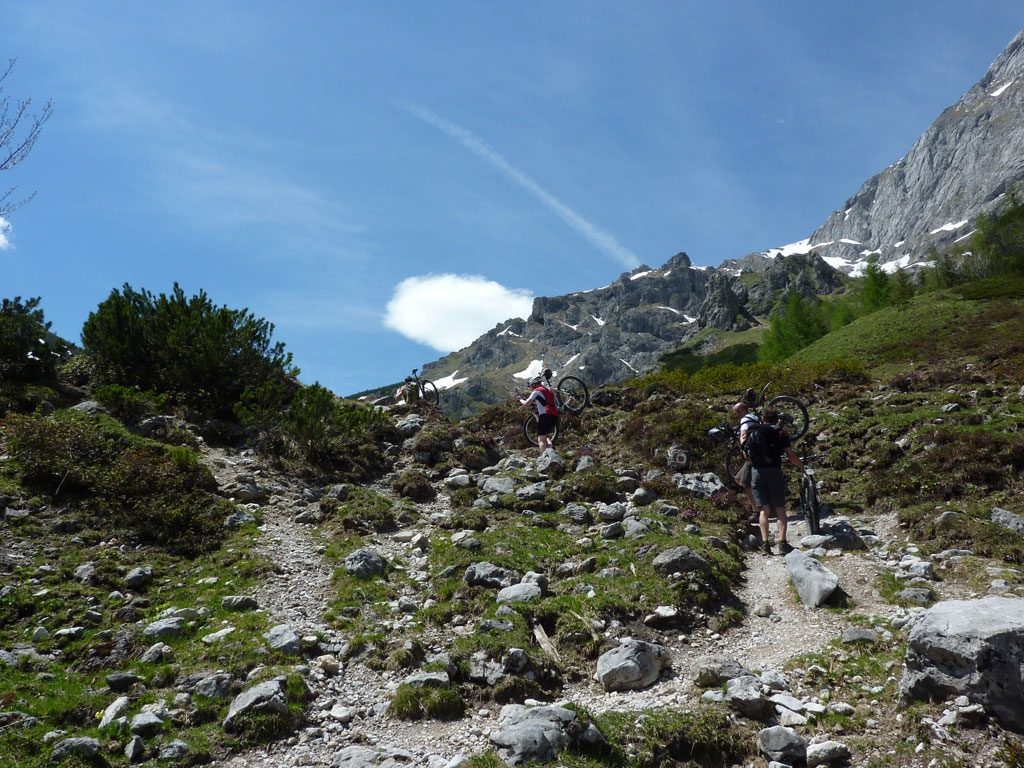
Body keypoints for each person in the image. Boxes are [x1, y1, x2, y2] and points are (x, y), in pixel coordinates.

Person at [748, 406, 804, 555]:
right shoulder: (780, 433)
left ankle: (765, 545)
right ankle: (782, 543)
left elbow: (746, 454)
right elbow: (791, 456)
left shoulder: (754, 431)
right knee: (779, 508)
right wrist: (801, 466)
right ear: (777, 419)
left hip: (756, 471)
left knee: (764, 510)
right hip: (774, 471)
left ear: (763, 419)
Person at [732, 400, 761, 523]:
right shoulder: (754, 417)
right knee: (738, 478)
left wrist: (744, 449)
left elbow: (744, 434)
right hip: (759, 451)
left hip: (752, 454)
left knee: (745, 482)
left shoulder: (745, 420)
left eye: (736, 412)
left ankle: (757, 511)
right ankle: (761, 507)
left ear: (742, 411)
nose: (735, 415)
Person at [519, 374, 559, 453]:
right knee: (546, 435)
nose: (531, 388)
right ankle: (552, 449)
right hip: (554, 416)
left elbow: (526, 404)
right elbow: (543, 401)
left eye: (531, 386)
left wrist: (520, 399)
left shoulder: (537, 391)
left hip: (545, 416)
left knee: (541, 440)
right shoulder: (548, 390)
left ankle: (545, 457)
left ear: (534, 384)